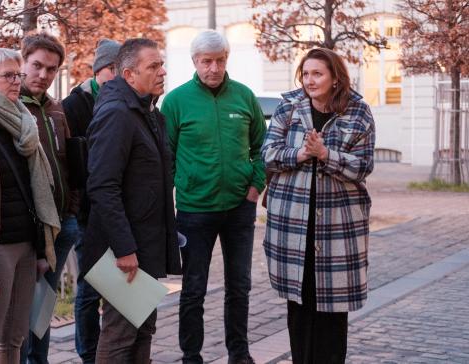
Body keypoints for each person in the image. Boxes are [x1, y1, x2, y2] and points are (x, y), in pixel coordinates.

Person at [261, 47, 376, 363]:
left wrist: (327, 155)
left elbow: (363, 166)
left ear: (335, 78)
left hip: (337, 227)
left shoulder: (358, 112)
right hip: (293, 223)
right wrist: (299, 154)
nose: (310, 81)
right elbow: (268, 153)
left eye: (318, 74)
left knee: (332, 311)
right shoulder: (289, 106)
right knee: (299, 306)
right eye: (306, 74)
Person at [160, 30, 266, 364]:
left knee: (240, 286)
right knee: (193, 289)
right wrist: (177, 190)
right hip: (194, 211)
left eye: (220, 60)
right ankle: (191, 355)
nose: (214, 68)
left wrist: (256, 183)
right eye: (207, 61)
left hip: (239, 209)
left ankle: (240, 352)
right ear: (194, 62)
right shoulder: (176, 101)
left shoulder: (244, 97)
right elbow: (166, 155)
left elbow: (263, 145)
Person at [81, 38, 182, 364]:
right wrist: (124, 248)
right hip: (124, 250)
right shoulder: (118, 115)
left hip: (145, 244)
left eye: (161, 64)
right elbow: (102, 186)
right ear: (129, 74)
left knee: (141, 329)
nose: (162, 71)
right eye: (153, 66)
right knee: (121, 334)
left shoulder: (148, 113)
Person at [0, 47, 56, 364]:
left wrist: (42, 249)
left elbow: (32, 187)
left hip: (26, 241)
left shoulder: (22, 120)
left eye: (18, 74)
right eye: (8, 76)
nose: (17, 81)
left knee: (14, 339)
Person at [20, 32, 79, 364]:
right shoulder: (11, 106)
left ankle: (39, 360)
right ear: (23, 60)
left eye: (51, 69)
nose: (43, 75)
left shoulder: (56, 109)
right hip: (27, 229)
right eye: (37, 66)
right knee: (22, 309)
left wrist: (72, 210)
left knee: (44, 303)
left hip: (60, 224)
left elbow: (68, 163)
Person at [61, 38, 121, 364]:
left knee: (118, 283)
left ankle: (116, 350)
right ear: (99, 70)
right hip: (87, 211)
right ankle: (88, 353)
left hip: (116, 209)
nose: (117, 75)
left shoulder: (129, 101)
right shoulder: (74, 105)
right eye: (112, 69)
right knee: (89, 286)